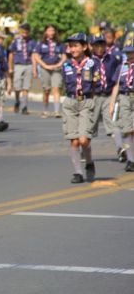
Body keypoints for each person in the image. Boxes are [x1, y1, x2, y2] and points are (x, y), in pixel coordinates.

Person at [61, 33, 98, 183]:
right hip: (70, 103)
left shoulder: (92, 63)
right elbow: (66, 84)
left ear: (84, 47)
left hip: (85, 103)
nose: (73, 49)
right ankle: (77, 172)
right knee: (74, 141)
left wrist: (91, 101)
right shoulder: (66, 65)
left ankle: (89, 161)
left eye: (76, 45)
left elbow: (95, 84)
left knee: (83, 140)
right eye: (70, 46)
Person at [89, 34, 123, 161]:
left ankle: (121, 148)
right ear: (91, 46)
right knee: (89, 125)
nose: (99, 48)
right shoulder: (88, 61)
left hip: (109, 95)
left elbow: (116, 81)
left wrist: (113, 100)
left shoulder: (113, 59)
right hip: (94, 96)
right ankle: (85, 150)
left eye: (102, 45)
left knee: (114, 122)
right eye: (96, 45)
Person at [109, 38, 134, 172]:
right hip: (125, 98)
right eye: (128, 52)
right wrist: (112, 102)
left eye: (132, 52)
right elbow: (117, 85)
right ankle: (131, 160)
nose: (130, 55)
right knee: (127, 130)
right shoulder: (122, 66)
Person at [33, 25, 65, 118]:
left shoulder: (59, 43)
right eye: (49, 30)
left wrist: (59, 64)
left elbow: (64, 56)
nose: (51, 32)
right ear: (46, 32)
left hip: (56, 68)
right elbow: (36, 56)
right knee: (46, 90)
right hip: (45, 68)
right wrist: (44, 65)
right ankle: (45, 110)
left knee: (56, 88)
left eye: (53, 30)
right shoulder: (41, 43)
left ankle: (57, 111)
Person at [8, 23, 37, 115]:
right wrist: (10, 67)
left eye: (26, 31)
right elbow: (11, 54)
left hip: (28, 64)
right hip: (18, 65)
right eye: (23, 31)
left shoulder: (32, 42)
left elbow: (33, 55)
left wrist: (34, 68)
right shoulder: (16, 41)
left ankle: (24, 106)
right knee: (17, 86)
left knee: (26, 87)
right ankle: (17, 100)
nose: (25, 33)